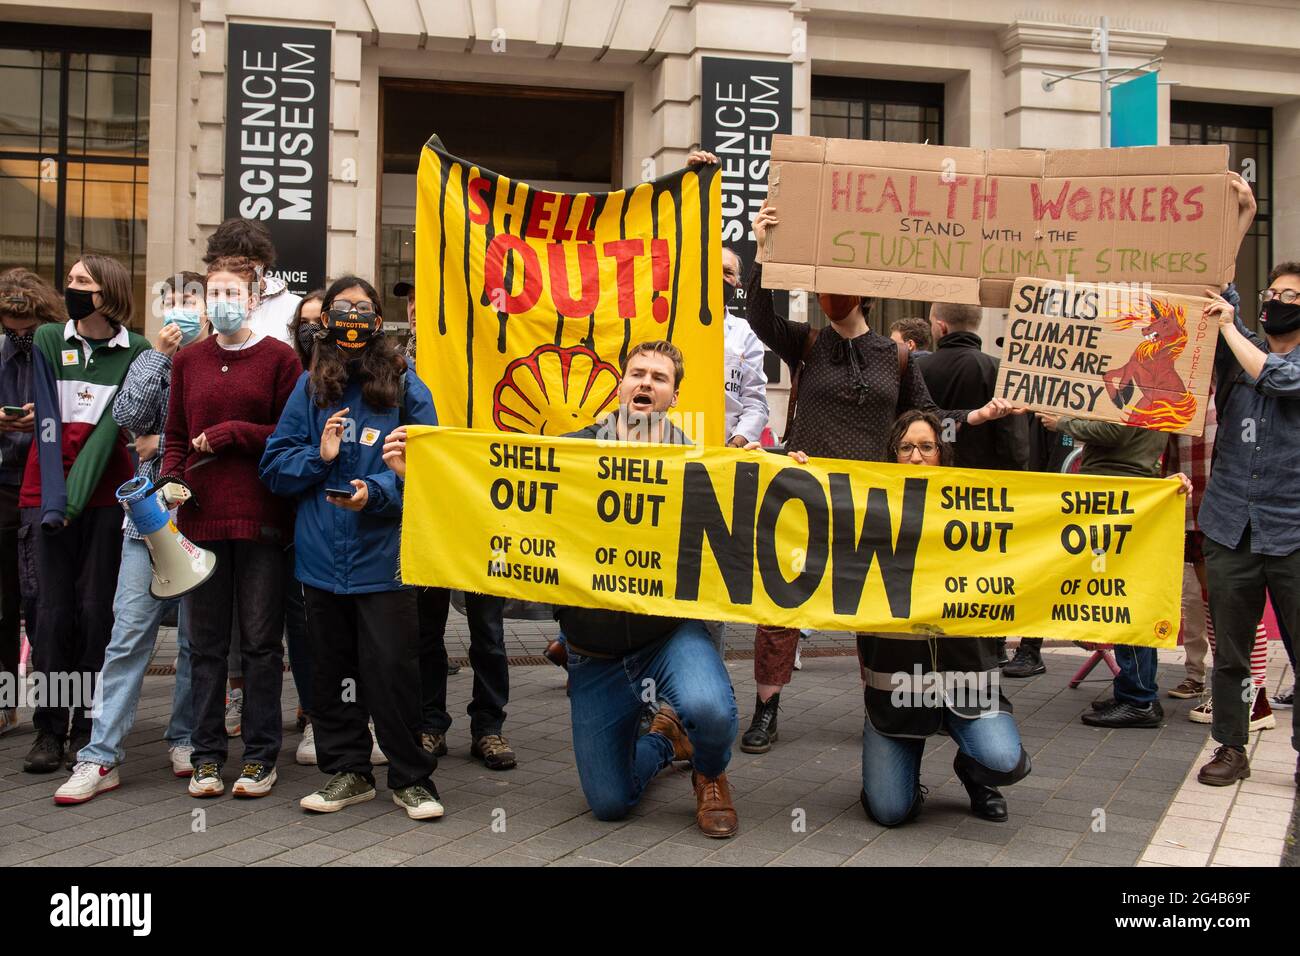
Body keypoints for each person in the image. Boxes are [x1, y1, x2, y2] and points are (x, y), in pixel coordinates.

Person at [737, 200, 1022, 754]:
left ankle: (879, 708)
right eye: (822, 286)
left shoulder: (897, 356)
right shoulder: (808, 343)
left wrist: (978, 417)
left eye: (838, 286)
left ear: (862, 292)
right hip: (805, 496)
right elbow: (758, 317)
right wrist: (763, 249)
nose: (828, 296)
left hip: (873, 504)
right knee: (780, 609)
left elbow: (927, 420)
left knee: (872, 608)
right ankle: (765, 709)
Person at [262, 276, 443, 820]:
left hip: (384, 561)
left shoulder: (408, 385)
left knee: (392, 671)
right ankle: (348, 772)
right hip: (320, 561)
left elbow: (432, 471)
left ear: (378, 317)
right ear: (326, 319)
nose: (353, 316)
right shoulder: (310, 385)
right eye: (343, 307)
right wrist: (319, 456)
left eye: (364, 308)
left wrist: (379, 492)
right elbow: (274, 465)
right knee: (330, 671)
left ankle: (412, 779)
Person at [53, 272, 208, 803]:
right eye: (174, 302)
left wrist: (160, 442)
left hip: (203, 518)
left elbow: (216, 432)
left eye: (194, 300)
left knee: (195, 640)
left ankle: (184, 738)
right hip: (145, 521)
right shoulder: (150, 357)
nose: (183, 310)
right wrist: (161, 358)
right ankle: (100, 756)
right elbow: (129, 421)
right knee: (129, 636)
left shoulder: (218, 359)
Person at [161, 255, 301, 798]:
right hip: (199, 518)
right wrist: (172, 477)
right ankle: (207, 756)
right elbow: (175, 433)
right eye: (211, 291)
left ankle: (261, 756)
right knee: (205, 645)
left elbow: (290, 436)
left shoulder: (279, 358)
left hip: (261, 519)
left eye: (231, 292)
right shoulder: (188, 361)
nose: (220, 301)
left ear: (253, 298)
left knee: (263, 643)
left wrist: (233, 433)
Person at [857, 410, 1032, 825]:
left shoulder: (976, 512)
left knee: (1005, 761)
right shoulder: (868, 512)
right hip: (896, 695)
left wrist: (1157, 495)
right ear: (891, 456)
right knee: (889, 811)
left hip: (968, 683)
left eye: (926, 447)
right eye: (904, 448)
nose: (915, 457)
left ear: (942, 454)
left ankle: (974, 774)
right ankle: (900, 771)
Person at [20, 254, 150, 773]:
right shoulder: (50, 339)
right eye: (71, 279)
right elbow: (48, 426)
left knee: (97, 611)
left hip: (106, 500)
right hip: (43, 493)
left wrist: (76, 497)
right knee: (49, 614)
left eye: (81, 282)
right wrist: (57, 499)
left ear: (109, 291)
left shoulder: (137, 349)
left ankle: (87, 727)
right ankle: (48, 729)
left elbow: (118, 428)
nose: (70, 287)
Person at [391, 276, 512, 768]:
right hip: (425, 510)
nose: (420, 308)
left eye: (431, 299)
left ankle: (489, 726)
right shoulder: (397, 365)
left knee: (488, 628)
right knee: (426, 626)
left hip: (483, 509)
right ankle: (429, 722)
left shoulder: (486, 359)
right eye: (414, 301)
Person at [1196, 254, 1300, 787]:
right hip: (1230, 524)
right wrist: (1231, 215)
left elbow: (1277, 378)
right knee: (1231, 651)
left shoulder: (1263, 358)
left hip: (1291, 532)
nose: (1276, 303)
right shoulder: (1240, 349)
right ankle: (1231, 747)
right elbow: (1221, 292)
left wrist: (1230, 329)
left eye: (1290, 297)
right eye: (1273, 294)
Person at [1034, 411, 1172, 729]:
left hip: (1120, 492)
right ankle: (1133, 691)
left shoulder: (1137, 387)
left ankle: (1139, 698)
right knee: (1121, 595)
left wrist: (1063, 423)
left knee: (1125, 598)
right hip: (1125, 490)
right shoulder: (1148, 387)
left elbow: (1114, 432)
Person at [0, 269, 63, 737]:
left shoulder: (57, 347)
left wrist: (40, 419)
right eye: (9, 329)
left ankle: (51, 709)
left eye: (27, 329)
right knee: (4, 601)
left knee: (44, 599)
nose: (18, 337)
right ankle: (5, 704)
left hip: (46, 485)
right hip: (4, 481)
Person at [202, 217, 301, 345]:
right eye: (230, 263)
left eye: (247, 263)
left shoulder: (295, 308)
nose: (237, 269)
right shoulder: (199, 306)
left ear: (263, 263)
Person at [721, 246, 768, 448]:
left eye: (727, 272)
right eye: (711, 270)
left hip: (726, 452)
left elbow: (755, 402)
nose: (719, 278)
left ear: (737, 283)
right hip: (672, 451)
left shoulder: (745, 334)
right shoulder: (670, 328)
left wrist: (736, 443)